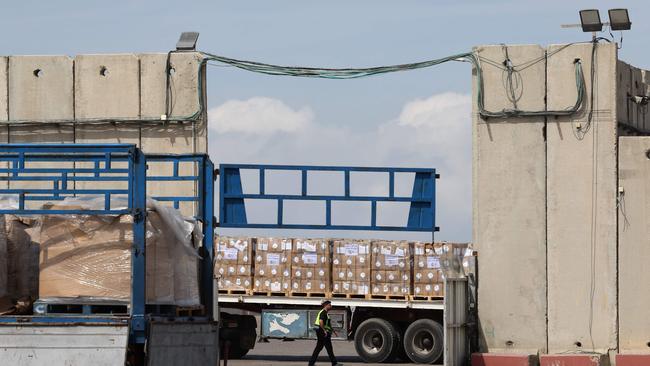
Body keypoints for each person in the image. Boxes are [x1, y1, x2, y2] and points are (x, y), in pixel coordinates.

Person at [308, 300, 343, 366]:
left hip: (322, 332)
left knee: (319, 348)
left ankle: (311, 363)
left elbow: (327, 324)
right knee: (328, 348)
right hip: (322, 332)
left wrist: (333, 330)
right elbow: (321, 322)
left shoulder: (325, 313)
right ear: (325, 305)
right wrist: (324, 330)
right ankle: (334, 363)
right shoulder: (323, 312)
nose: (331, 306)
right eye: (329, 305)